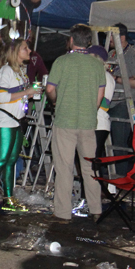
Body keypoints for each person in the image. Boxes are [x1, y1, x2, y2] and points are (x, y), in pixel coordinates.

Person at [45, 24, 106, 222]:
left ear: (71, 40)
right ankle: (96, 209)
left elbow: (49, 89)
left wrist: (55, 100)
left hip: (65, 120)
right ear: (89, 41)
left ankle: (63, 213)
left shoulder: (62, 61)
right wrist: (91, 110)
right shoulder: (97, 64)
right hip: (88, 122)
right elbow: (100, 94)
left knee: (64, 167)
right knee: (89, 168)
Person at [0, 38, 40, 214]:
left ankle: (8, 198)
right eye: (25, 49)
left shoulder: (20, 72)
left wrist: (31, 93)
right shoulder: (5, 71)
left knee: (11, 161)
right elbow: (2, 98)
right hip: (5, 121)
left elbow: (18, 96)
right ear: (15, 52)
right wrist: (27, 92)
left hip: (16, 121)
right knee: (1, 160)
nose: (29, 51)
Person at [107, 23, 135, 175]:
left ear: (121, 37)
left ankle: (121, 178)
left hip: (124, 103)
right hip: (108, 102)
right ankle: (108, 176)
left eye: (111, 35)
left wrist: (116, 79)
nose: (109, 39)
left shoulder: (134, 57)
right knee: (105, 142)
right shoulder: (111, 54)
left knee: (119, 144)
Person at [87, 45, 115, 178]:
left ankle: (92, 194)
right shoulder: (94, 75)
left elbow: (104, 103)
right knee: (87, 160)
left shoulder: (106, 77)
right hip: (90, 122)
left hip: (99, 124)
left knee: (93, 160)